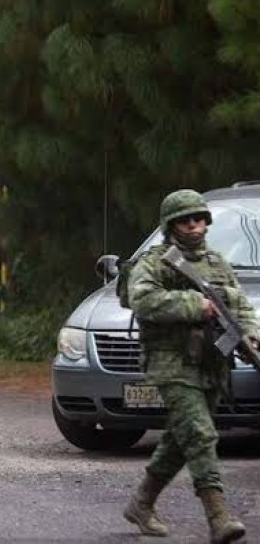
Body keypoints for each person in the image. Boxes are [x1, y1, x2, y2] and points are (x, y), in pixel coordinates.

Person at [123, 189, 257, 543]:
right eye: (185, 220)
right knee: (199, 433)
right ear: (171, 225)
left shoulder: (216, 262)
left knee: (182, 439)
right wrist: (194, 305)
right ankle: (219, 515)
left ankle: (142, 502)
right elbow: (143, 300)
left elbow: (240, 306)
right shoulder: (155, 262)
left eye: (198, 219)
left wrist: (251, 335)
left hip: (211, 364)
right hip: (170, 361)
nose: (194, 226)